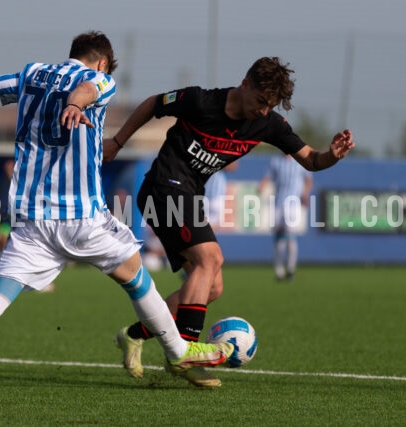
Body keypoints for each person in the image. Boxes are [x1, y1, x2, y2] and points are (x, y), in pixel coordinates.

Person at [0, 31, 233, 396]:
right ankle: (179, 351)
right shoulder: (100, 80)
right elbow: (88, 90)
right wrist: (75, 105)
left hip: (30, 219)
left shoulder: (32, 75)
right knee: (138, 280)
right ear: (104, 63)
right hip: (81, 216)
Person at [104, 56, 355, 387]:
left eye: (271, 105)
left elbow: (310, 159)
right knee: (210, 259)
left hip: (188, 196)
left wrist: (331, 157)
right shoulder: (201, 101)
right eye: (261, 101)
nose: (264, 110)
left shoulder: (268, 124)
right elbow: (153, 103)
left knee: (213, 285)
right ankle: (185, 353)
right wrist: (118, 142)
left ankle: (133, 335)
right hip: (162, 188)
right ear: (245, 84)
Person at [259, 154, 313, 282]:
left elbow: (308, 180)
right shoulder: (275, 161)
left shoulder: (300, 162)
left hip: (293, 204)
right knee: (278, 238)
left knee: (289, 236)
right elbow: (268, 177)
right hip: (278, 203)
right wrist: (262, 186)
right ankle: (279, 270)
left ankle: (290, 268)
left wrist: (305, 194)